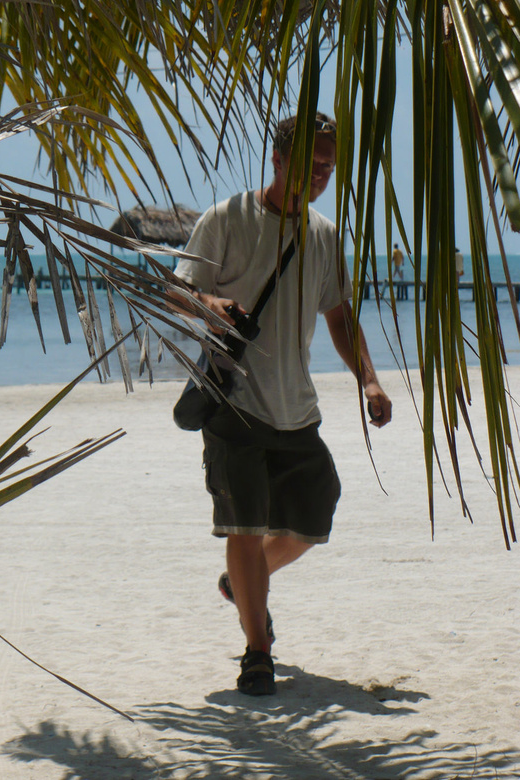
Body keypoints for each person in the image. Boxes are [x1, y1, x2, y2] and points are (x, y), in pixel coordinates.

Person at [171, 112, 392, 696]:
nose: (320, 176)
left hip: (297, 408)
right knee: (243, 526)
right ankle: (257, 651)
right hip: (234, 402)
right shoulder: (229, 218)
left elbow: (339, 316)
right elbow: (178, 288)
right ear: (278, 158)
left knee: (312, 519)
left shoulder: (321, 234)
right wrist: (210, 305)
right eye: (311, 164)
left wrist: (368, 380)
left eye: (327, 168)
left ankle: (243, 585)